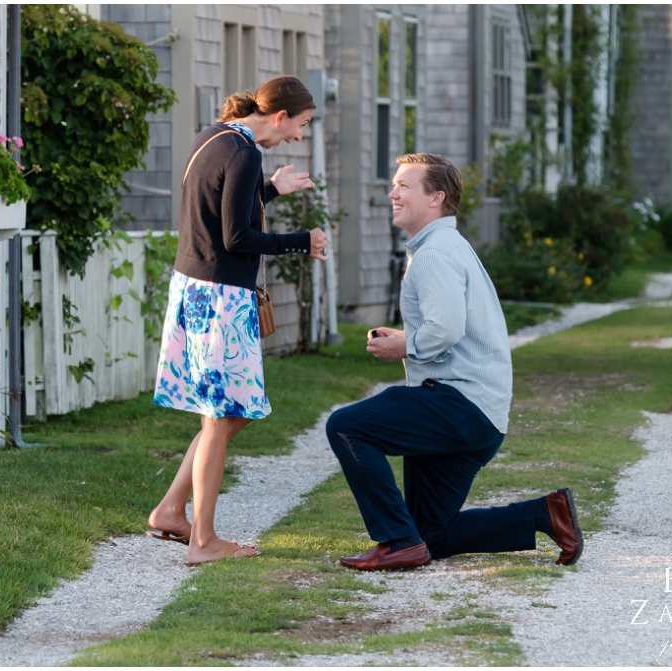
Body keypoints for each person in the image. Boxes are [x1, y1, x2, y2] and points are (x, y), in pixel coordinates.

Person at [325, 153, 583, 571]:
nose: (392, 193)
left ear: (436, 198)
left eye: (404, 186)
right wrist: (408, 338)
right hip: (480, 415)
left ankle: (395, 542)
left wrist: (404, 347)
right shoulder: (446, 246)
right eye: (394, 184)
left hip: (458, 403)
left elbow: (445, 330)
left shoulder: (435, 254)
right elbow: (448, 326)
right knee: (431, 535)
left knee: (347, 426)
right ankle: (545, 514)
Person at [149, 76, 329, 566]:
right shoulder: (245, 152)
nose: (298, 136)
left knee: (230, 414)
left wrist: (270, 190)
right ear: (279, 116)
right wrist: (302, 240)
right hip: (221, 298)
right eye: (300, 126)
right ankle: (202, 541)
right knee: (220, 416)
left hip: (197, 290)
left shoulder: (214, 137)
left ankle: (170, 510)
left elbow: (220, 209)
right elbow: (236, 237)